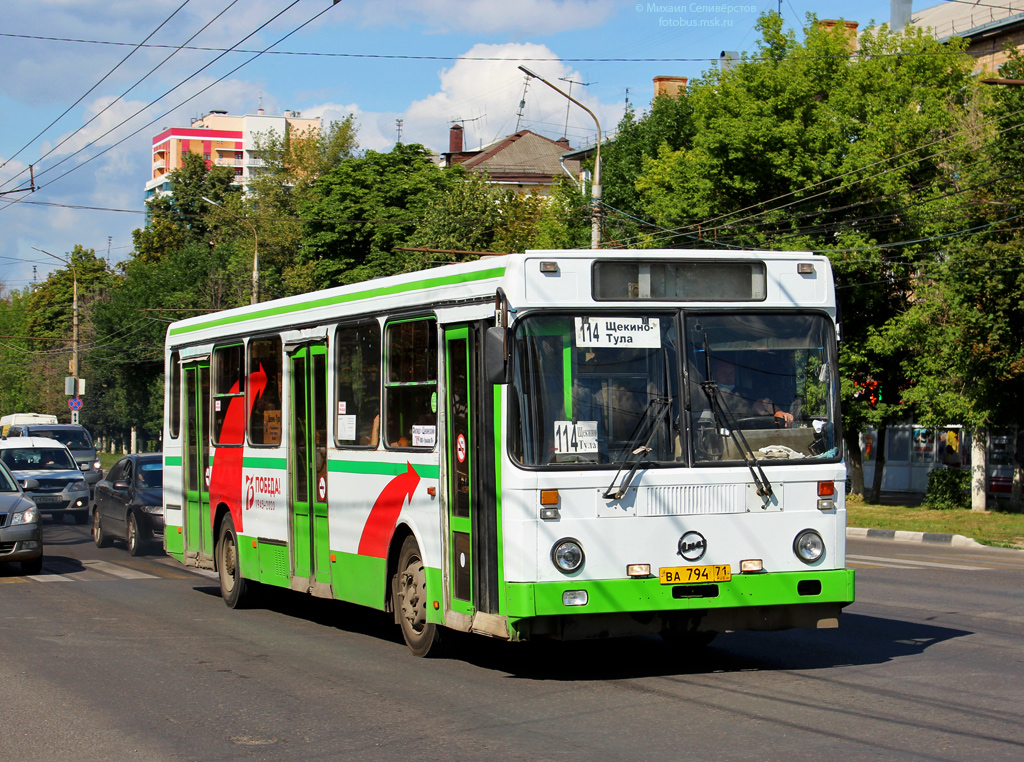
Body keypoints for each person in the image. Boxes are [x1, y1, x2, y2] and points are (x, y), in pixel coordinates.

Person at [709, 355, 793, 423]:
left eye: (732, 372)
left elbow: (761, 403)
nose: (729, 376)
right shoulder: (709, 394)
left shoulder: (745, 393)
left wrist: (778, 413)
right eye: (724, 372)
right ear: (714, 375)